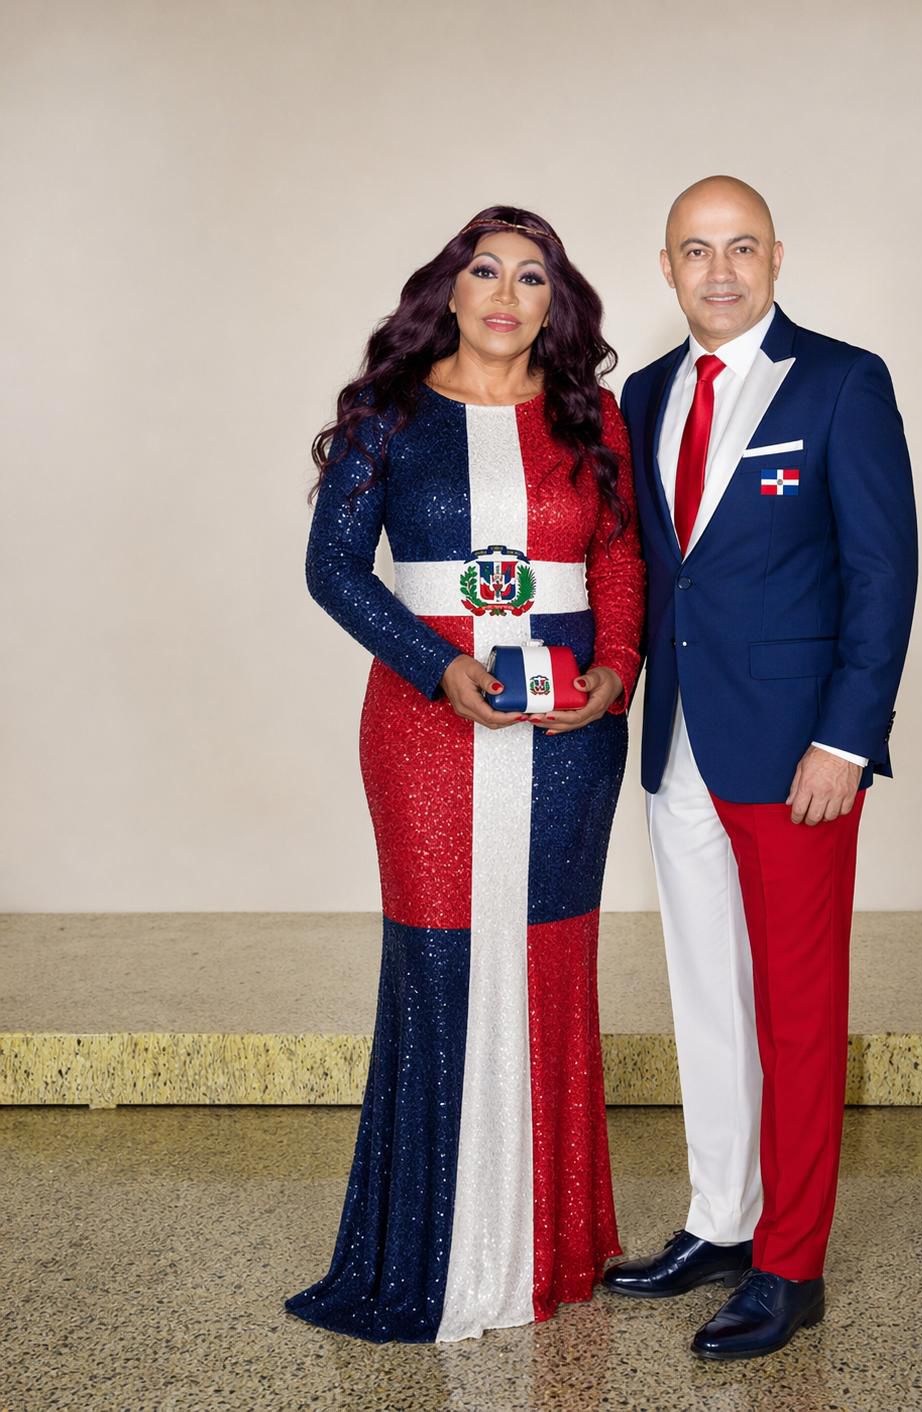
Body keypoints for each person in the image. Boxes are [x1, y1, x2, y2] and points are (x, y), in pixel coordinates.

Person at [285, 206, 645, 1344]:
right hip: (424, 730)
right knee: (439, 964)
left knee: (549, 960)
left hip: (572, 735)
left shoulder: (592, 416)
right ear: (448, 289)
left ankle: (555, 1241)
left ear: (555, 303)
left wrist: (617, 670)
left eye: (531, 277)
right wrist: (435, 665)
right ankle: (427, 1249)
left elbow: (619, 554)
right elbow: (334, 568)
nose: (505, 293)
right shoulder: (386, 412)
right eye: (485, 270)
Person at [604, 176, 917, 1360]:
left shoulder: (842, 381)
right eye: (696, 250)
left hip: (796, 754)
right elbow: (654, 566)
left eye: (740, 247)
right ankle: (721, 1217)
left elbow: (882, 570)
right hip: (678, 739)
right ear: (667, 268)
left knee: (796, 1008)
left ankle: (790, 1262)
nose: (720, 270)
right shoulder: (643, 393)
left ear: (776, 257)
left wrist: (846, 737)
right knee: (706, 994)